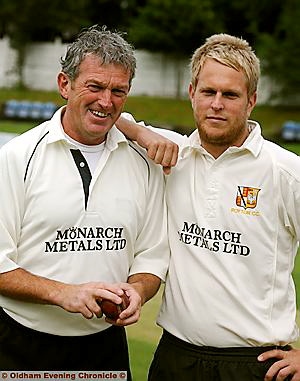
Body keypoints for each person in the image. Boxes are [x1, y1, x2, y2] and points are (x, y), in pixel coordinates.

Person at [116, 33, 300, 380]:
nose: (217, 103)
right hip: (176, 358)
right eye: (208, 92)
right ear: (191, 94)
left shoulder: (284, 171)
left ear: (251, 101)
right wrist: (141, 133)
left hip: (256, 365)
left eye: (230, 94)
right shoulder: (171, 155)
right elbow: (106, 115)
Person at [0, 24, 173, 378]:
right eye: (94, 87)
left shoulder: (144, 162)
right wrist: (63, 293)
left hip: (104, 348)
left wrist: (138, 291)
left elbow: (152, 257)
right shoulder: (17, 157)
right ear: (65, 84)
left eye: (118, 91)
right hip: (20, 344)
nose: (106, 102)